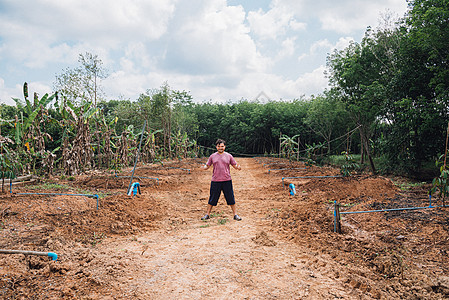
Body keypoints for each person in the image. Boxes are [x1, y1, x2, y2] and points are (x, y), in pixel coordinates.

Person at [200, 139, 242, 221]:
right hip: (215, 181)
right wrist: (203, 168)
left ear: (224, 147)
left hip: (227, 180)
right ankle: (207, 214)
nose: (220, 148)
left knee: (231, 198)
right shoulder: (212, 156)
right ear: (216, 147)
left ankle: (235, 214)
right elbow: (207, 166)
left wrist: (238, 167)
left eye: (222, 146)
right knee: (212, 198)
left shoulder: (229, 156)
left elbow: (234, 165)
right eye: (219, 146)